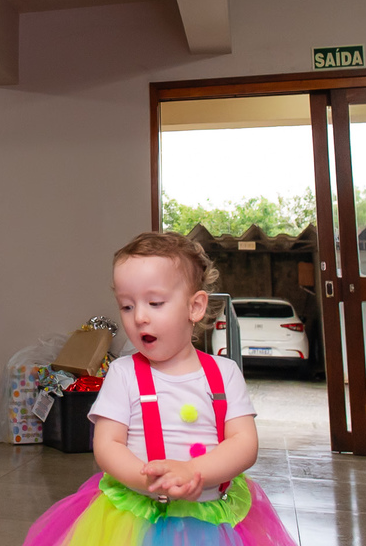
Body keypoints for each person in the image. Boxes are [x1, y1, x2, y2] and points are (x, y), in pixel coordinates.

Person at [23, 232, 297, 546]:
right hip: (135, 520)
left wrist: (193, 472)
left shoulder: (225, 373)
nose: (139, 317)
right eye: (126, 306)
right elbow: (108, 444)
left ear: (194, 307)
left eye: (155, 303)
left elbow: (244, 443)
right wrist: (147, 478)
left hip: (209, 517)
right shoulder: (123, 374)